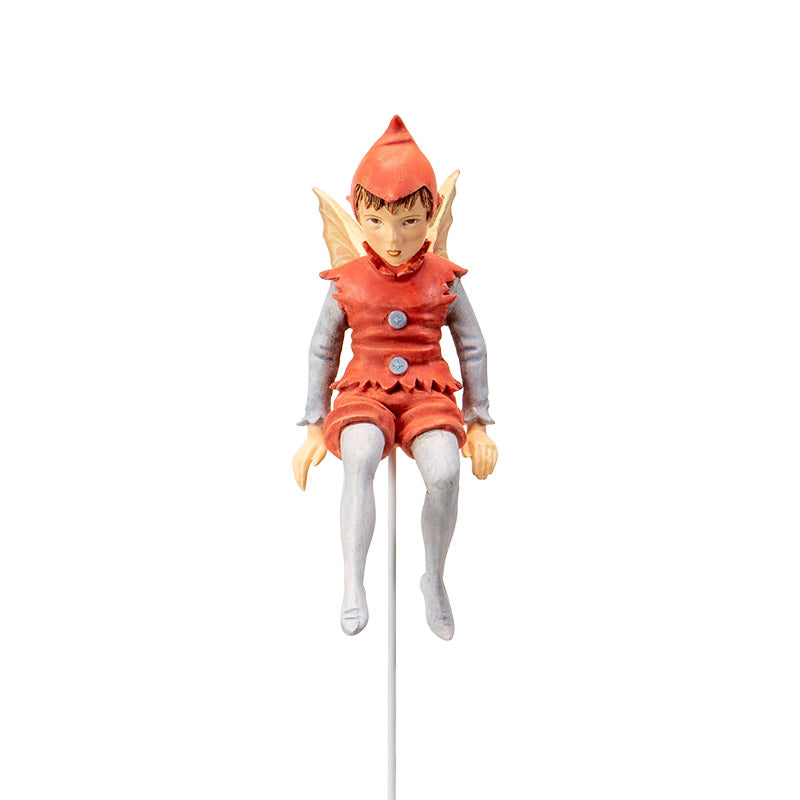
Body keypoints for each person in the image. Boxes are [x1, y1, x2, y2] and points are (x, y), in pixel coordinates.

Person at [292, 116, 497, 639]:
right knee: (360, 454)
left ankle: (434, 577)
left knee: (444, 473)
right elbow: (323, 348)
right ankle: (352, 582)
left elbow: (472, 346)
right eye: (377, 222)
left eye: (409, 221)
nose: (394, 238)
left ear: (431, 214)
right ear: (357, 216)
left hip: (429, 392)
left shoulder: (445, 278)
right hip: (363, 390)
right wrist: (315, 424)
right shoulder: (348, 279)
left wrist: (477, 422)